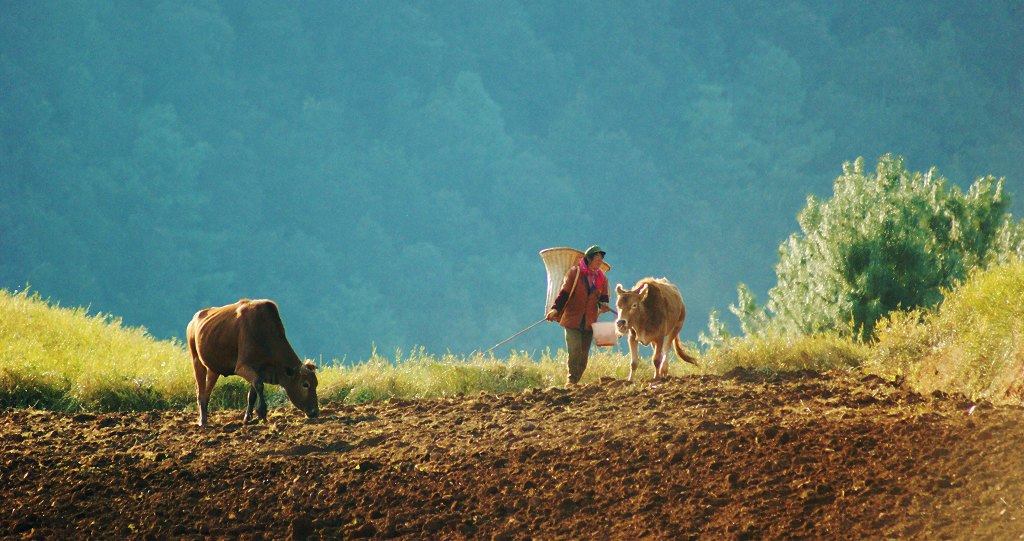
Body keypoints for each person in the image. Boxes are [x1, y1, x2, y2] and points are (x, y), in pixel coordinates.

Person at [546, 245, 611, 384]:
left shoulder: (602, 278)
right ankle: (571, 380)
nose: (599, 262)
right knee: (575, 350)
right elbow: (564, 293)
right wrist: (555, 309)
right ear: (588, 259)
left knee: (583, 356)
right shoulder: (574, 273)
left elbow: (604, 297)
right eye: (597, 258)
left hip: (589, 321)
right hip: (572, 319)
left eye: (601, 259)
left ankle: (575, 381)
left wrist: (604, 305)